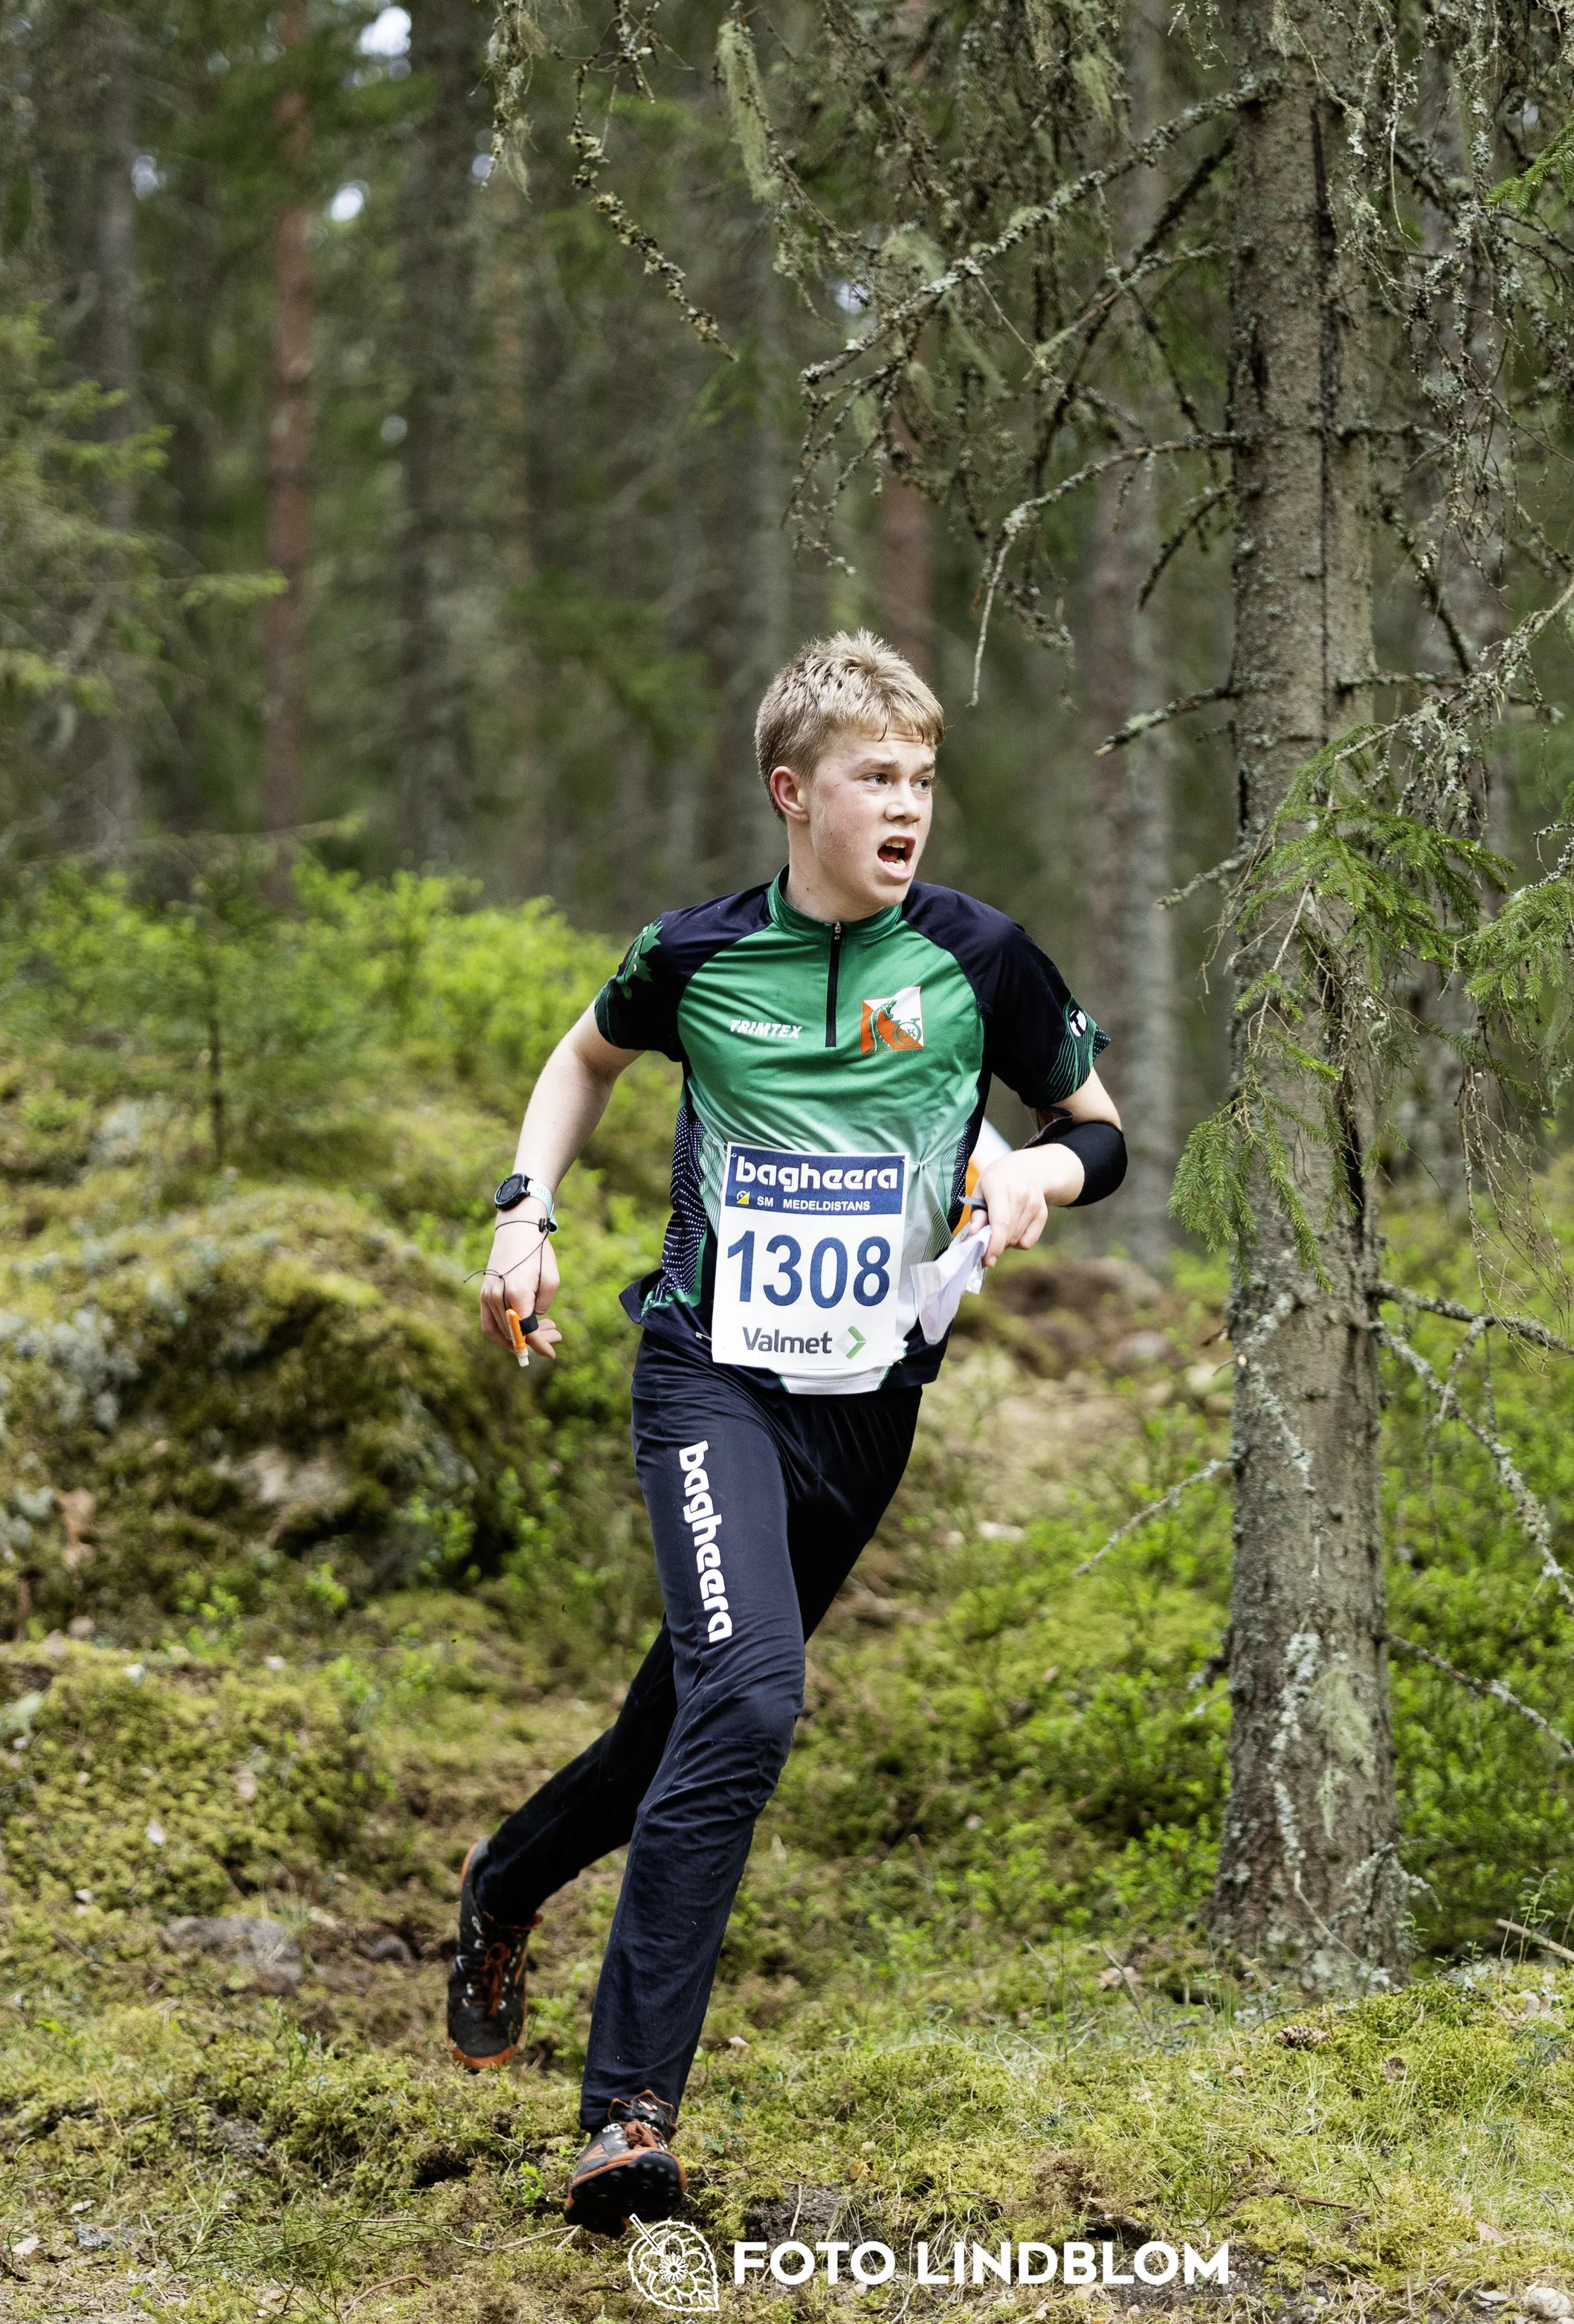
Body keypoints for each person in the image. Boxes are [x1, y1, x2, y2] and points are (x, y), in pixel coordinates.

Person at [452, 631, 1126, 2236]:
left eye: (921, 779)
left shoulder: (978, 958)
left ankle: (501, 1884)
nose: (905, 807)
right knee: (750, 1695)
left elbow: (1098, 1134)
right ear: (790, 791)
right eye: (872, 779)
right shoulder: (694, 955)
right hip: (710, 1377)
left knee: (672, 1723)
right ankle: (627, 2120)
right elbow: (581, 1059)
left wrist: (1039, 1177)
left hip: (866, 1407)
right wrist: (523, 1209)